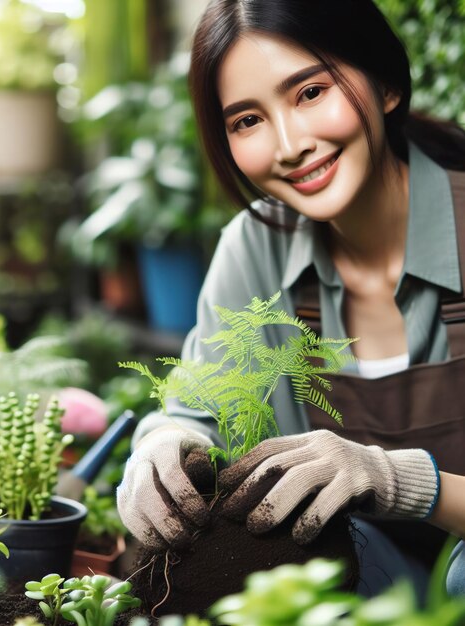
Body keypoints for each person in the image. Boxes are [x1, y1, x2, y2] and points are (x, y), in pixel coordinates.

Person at [116, 0, 465, 599]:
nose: (288, 144)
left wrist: (396, 478)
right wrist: (160, 446)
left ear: (383, 84)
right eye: (247, 120)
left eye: (309, 93)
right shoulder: (257, 245)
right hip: (361, 584)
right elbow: (196, 411)